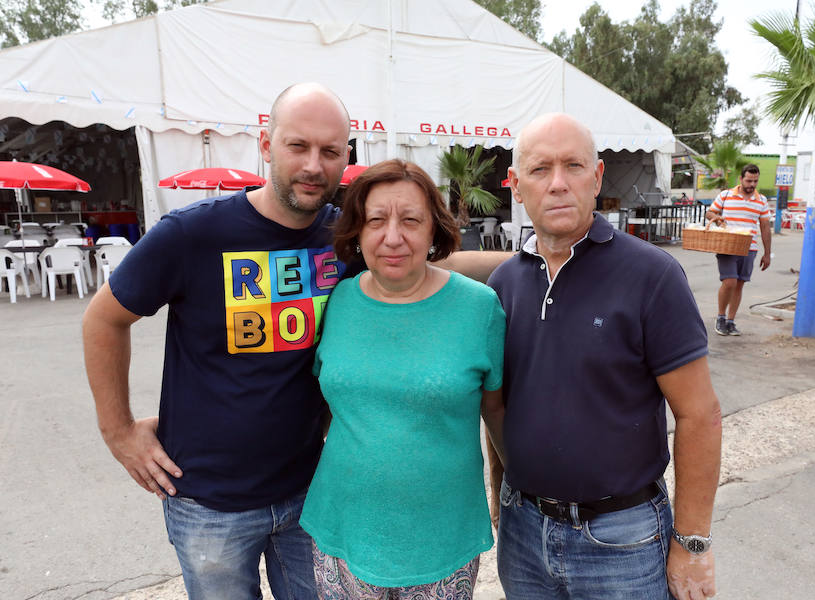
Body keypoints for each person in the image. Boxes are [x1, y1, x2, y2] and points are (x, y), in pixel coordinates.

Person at [82, 83, 507, 600]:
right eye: (297, 146)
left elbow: (421, 263)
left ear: (345, 157)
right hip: (209, 501)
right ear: (266, 145)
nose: (313, 164)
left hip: (310, 493)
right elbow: (103, 319)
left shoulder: (344, 240)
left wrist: (532, 262)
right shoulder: (193, 234)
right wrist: (118, 430)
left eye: (329, 151)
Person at [486, 113, 722, 600]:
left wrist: (692, 543)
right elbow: (498, 405)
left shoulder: (652, 277)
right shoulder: (503, 286)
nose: (557, 184)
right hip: (524, 535)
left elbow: (699, 414)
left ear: (596, 179)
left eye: (573, 166)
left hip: (624, 542)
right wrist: (505, 493)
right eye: (539, 170)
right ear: (515, 185)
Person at [299, 159, 506, 599]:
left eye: (411, 220)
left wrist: (508, 495)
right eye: (376, 221)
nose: (393, 237)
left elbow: (497, 413)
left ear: (435, 230)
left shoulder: (479, 308)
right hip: (342, 531)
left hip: (443, 540)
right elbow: (327, 406)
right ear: (357, 230)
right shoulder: (336, 302)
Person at [705, 164, 772, 336]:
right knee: (729, 282)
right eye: (749, 180)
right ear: (741, 179)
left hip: (750, 248)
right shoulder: (726, 195)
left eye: (755, 181)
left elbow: (765, 227)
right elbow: (709, 213)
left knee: (739, 284)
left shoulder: (761, 200)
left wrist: (767, 253)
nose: (752, 184)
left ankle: (730, 321)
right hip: (727, 245)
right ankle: (720, 317)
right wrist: (717, 217)